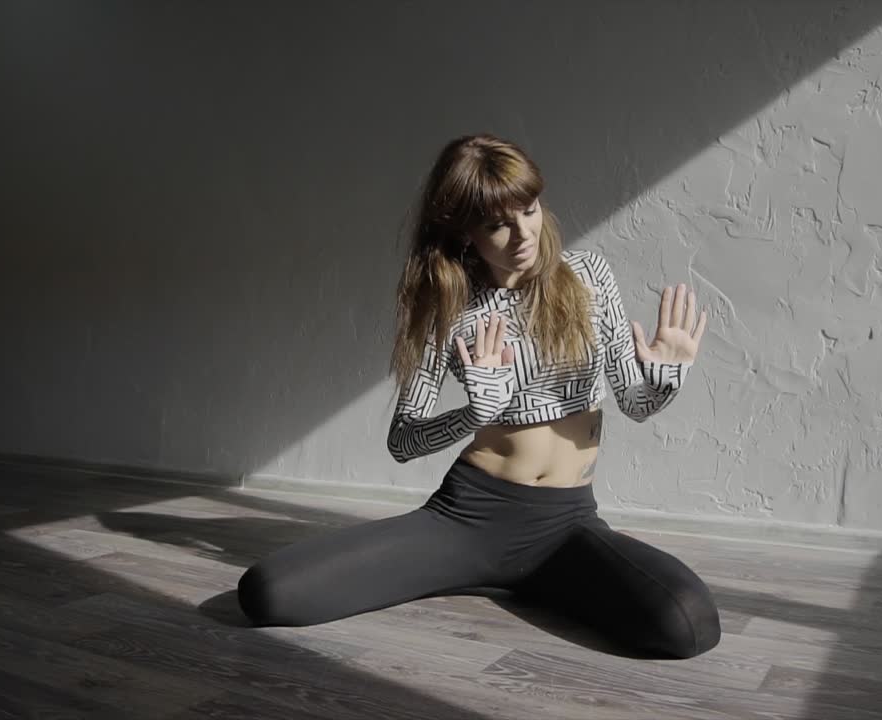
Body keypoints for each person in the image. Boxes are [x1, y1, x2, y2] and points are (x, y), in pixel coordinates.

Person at [237, 134, 721, 659]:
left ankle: (541, 579)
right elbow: (403, 440)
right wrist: (475, 413)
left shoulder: (589, 277)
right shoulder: (450, 308)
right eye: (496, 225)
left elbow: (634, 403)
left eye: (529, 211)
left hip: (566, 525)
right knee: (268, 592)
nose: (523, 234)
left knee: (689, 623)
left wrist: (666, 376)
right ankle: (486, 573)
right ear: (464, 232)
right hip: (468, 518)